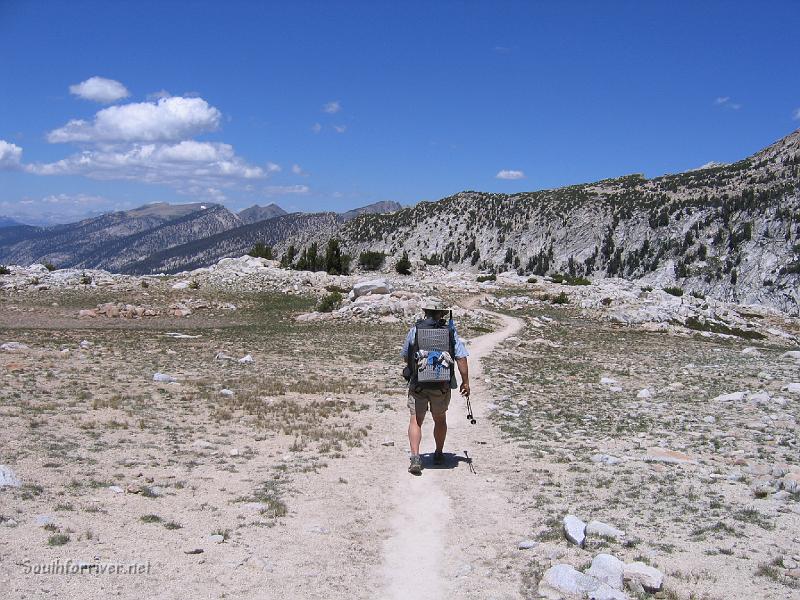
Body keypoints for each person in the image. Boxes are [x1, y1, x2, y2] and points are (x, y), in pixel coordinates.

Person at [401, 300, 470, 475]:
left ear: (426, 312)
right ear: (442, 314)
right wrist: (465, 381)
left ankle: (416, 457)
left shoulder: (415, 330)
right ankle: (438, 454)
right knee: (440, 419)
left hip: (418, 384)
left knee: (416, 420)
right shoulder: (449, 332)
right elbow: (461, 358)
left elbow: (405, 355)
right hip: (441, 384)